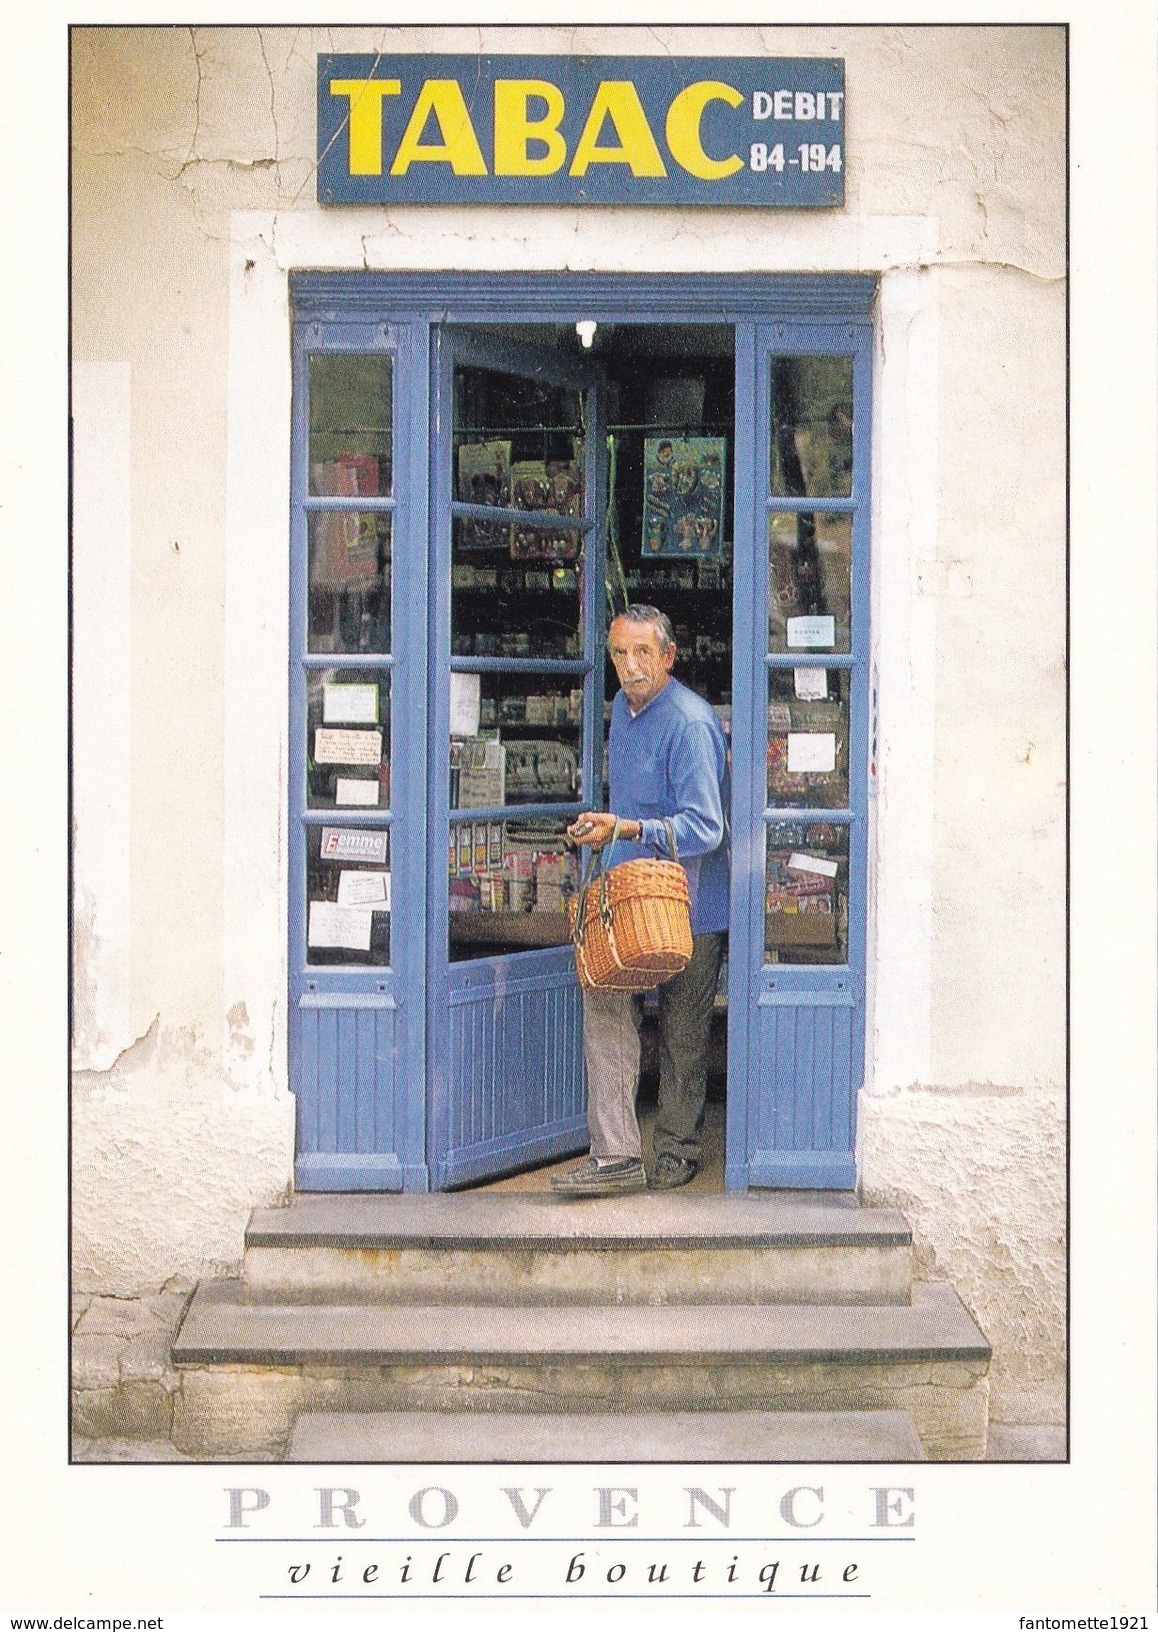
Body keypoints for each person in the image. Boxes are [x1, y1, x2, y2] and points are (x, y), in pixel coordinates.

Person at [552, 606, 730, 1198]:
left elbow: (707, 828)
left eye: (642, 654)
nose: (630, 666)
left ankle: (678, 1149)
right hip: (629, 900)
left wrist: (628, 829)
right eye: (620, 654)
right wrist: (606, 832)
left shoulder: (689, 720)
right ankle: (616, 1157)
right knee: (604, 1006)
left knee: (683, 1031)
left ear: (668, 656)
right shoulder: (623, 716)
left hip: (690, 904)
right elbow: (629, 805)